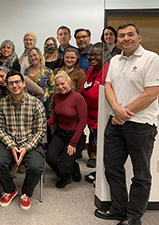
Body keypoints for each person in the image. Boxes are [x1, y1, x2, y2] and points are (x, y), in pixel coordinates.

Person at [94, 24, 159, 225]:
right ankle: (118, 209)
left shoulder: (151, 59)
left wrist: (125, 112)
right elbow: (108, 86)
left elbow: (152, 92)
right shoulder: (114, 60)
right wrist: (116, 109)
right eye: (121, 35)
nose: (125, 38)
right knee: (112, 167)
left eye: (130, 34)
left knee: (140, 173)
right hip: (115, 122)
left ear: (139, 37)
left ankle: (134, 216)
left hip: (141, 124)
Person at [0, 71, 46, 211]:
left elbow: (40, 130)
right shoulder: (1, 104)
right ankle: (10, 189)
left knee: (36, 167)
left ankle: (26, 192)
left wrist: (26, 148)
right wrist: (11, 146)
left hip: (30, 143)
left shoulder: (35, 104)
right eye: (11, 83)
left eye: (17, 82)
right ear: (7, 85)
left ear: (23, 83)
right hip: (8, 142)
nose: (15, 85)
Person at [46, 72, 87, 188]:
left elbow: (82, 122)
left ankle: (68, 172)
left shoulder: (78, 98)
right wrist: (43, 124)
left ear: (69, 82)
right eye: (57, 85)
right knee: (50, 158)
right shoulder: (56, 97)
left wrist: (73, 143)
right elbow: (55, 117)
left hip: (75, 136)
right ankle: (69, 170)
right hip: (60, 134)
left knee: (62, 168)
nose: (60, 87)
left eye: (62, 84)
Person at [81, 42, 111, 170]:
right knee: (99, 148)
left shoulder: (108, 71)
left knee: (105, 150)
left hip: (103, 118)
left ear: (104, 55)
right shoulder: (91, 70)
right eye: (90, 55)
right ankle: (99, 176)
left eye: (96, 55)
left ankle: (104, 179)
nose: (92, 57)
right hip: (91, 117)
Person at [24, 47, 55, 117]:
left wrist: (46, 96)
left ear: (39, 55)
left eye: (35, 55)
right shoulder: (27, 71)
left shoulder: (48, 71)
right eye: (30, 56)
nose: (33, 58)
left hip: (43, 102)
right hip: (29, 103)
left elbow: (52, 87)